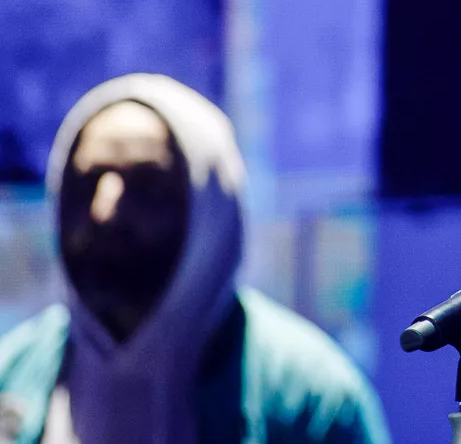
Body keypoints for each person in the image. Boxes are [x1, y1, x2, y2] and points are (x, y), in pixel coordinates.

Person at [0, 74, 390, 444]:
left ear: (211, 212)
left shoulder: (310, 403)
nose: (105, 213)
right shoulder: (12, 378)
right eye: (86, 182)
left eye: (146, 187)